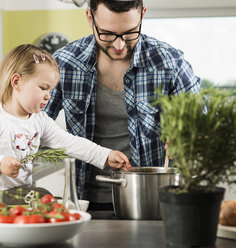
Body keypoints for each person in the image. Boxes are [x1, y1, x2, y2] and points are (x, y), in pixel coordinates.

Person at [44, 0, 201, 210]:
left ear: (142, 15)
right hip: (86, 202)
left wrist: (186, 133)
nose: (119, 45)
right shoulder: (65, 63)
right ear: (90, 18)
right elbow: (35, 124)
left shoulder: (170, 63)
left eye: (129, 33)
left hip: (156, 202)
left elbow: (202, 120)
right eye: (107, 34)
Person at [0, 44, 131, 190]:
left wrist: (106, 155)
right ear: (16, 82)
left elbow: (69, 143)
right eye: (43, 88)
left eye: (50, 90)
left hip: (23, 192)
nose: (48, 96)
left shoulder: (39, 120)